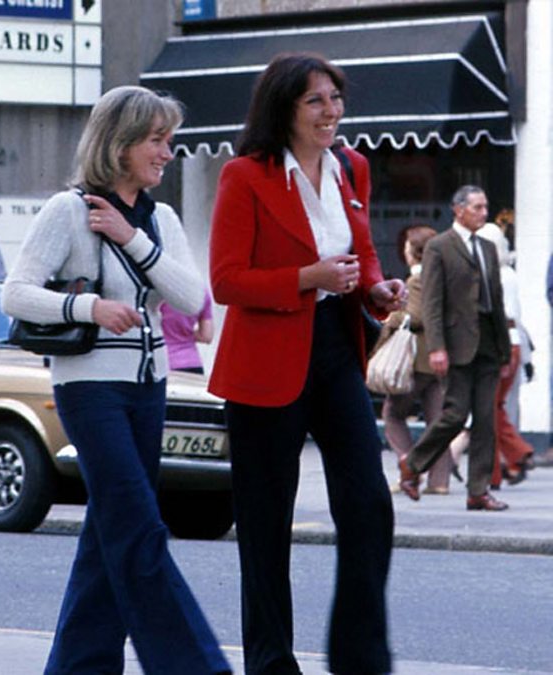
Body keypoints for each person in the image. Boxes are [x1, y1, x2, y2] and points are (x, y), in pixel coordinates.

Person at [3, 86, 229, 674]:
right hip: (89, 388)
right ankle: (196, 666)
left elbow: (191, 297)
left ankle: (79, 667)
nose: (167, 153)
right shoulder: (68, 211)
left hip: (149, 387)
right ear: (120, 143)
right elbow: (15, 294)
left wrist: (131, 238)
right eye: (156, 140)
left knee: (110, 529)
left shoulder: (161, 219)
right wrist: (89, 309)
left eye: (169, 140)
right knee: (137, 524)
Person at [209, 53, 405, 674]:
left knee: (369, 504)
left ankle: (359, 658)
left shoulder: (352, 167)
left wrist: (374, 288)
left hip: (335, 348)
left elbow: (362, 252)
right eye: (315, 100)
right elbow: (226, 280)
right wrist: (306, 277)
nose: (331, 111)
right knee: (266, 524)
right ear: (284, 109)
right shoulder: (245, 175)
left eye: (335, 98)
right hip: (263, 360)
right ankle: (271, 664)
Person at [399, 185, 511, 511]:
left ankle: (478, 492)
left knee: (486, 420)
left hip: (489, 343)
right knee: (455, 414)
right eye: (477, 207)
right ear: (458, 210)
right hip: (456, 344)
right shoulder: (439, 246)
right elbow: (432, 302)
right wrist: (437, 347)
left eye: (485, 207)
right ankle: (412, 465)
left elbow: (497, 301)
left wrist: (504, 349)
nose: (484, 213)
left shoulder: (487, 247)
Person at [380, 225, 455, 494]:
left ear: (415, 251)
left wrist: (391, 318)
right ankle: (439, 481)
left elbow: (417, 317)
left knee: (392, 414)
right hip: (440, 358)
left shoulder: (417, 280)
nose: (404, 252)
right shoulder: (445, 276)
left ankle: (408, 467)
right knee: (437, 422)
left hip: (417, 358)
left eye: (407, 247)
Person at [477, 222, 534, 486]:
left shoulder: (496, 275)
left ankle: (512, 455)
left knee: (489, 409)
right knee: (495, 407)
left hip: (500, 345)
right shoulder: (508, 274)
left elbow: (504, 316)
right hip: (511, 344)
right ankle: (505, 463)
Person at [159, 289, 214, 375]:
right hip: (193, 364)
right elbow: (206, 336)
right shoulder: (201, 293)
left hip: (163, 364)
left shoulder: (158, 291)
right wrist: (184, 334)